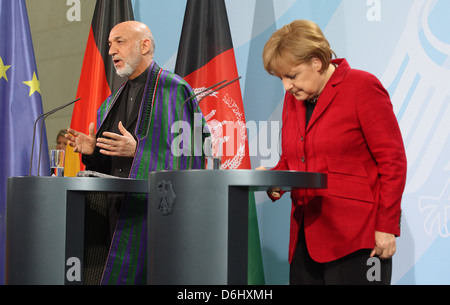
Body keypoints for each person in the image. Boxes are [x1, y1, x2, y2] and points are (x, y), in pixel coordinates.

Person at [260, 20, 407, 285]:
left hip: (358, 241)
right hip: (305, 240)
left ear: (316, 61)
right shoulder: (294, 99)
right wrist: (274, 180)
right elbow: (294, 158)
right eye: (281, 78)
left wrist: (386, 226)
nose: (286, 87)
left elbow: (392, 161)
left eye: (291, 76)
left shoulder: (362, 86)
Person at [66, 21, 207, 285]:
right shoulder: (110, 102)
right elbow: (107, 165)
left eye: (120, 41)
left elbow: (192, 158)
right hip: (111, 217)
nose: (111, 51)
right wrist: (92, 152)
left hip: (152, 218)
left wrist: (138, 151)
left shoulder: (174, 90)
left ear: (145, 45)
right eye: (109, 44)